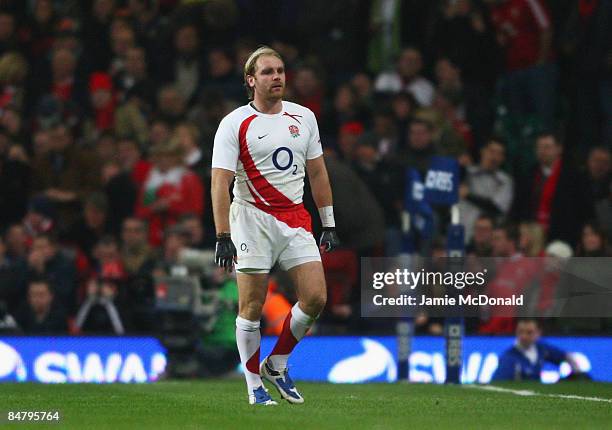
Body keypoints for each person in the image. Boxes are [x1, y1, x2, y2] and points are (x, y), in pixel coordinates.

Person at [211, 46, 340, 406]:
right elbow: (219, 182)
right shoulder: (235, 123)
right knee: (252, 305)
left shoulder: (304, 117)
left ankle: (278, 361)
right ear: (251, 81)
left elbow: (317, 171)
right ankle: (254, 385)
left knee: (316, 297)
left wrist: (327, 222)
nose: (277, 77)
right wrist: (223, 234)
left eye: (280, 70)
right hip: (251, 219)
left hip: (295, 217)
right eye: (268, 72)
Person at [493, 318, 582, 381]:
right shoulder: (509, 358)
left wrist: (578, 373)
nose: (524, 336)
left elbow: (565, 356)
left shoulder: (541, 348)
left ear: (538, 333)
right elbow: (499, 382)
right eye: (520, 332)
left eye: (529, 332)